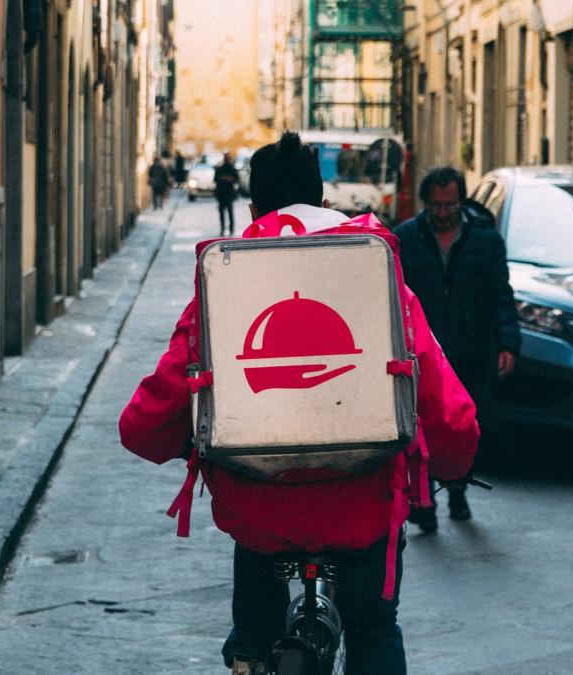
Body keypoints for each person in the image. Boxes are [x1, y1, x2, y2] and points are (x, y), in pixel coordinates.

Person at [119, 131, 479, 674]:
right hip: (364, 509)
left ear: (253, 208)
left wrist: (183, 441)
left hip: (260, 512)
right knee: (375, 629)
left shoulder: (226, 281)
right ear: (324, 202)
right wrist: (452, 464)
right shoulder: (375, 271)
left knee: (254, 622)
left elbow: (150, 416)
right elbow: (441, 401)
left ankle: (250, 654)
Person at [393, 166, 520, 532]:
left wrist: (508, 342)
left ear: (461, 202)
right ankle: (426, 503)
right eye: (436, 206)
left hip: (472, 350)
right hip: (424, 355)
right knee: (424, 430)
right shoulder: (407, 239)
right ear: (426, 203)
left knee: (465, 429)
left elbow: (500, 295)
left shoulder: (486, 241)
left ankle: (458, 489)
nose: (443, 213)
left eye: (450, 205)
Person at [214, 151, 241, 235]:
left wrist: (230, 179)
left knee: (229, 212)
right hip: (222, 193)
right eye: (226, 158)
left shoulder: (233, 169)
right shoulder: (219, 169)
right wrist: (223, 179)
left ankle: (231, 229)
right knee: (222, 212)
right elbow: (215, 179)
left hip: (229, 194)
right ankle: (223, 229)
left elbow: (237, 180)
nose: (227, 159)